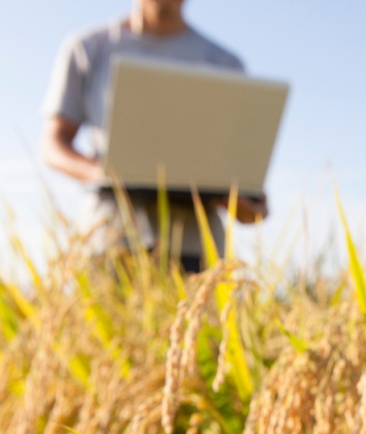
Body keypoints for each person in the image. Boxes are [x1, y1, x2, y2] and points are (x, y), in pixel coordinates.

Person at [41, 0, 267, 272]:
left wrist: (243, 200)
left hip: (197, 248)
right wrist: (103, 172)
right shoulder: (88, 48)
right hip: (111, 236)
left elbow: (239, 167)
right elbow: (53, 145)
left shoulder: (224, 63)